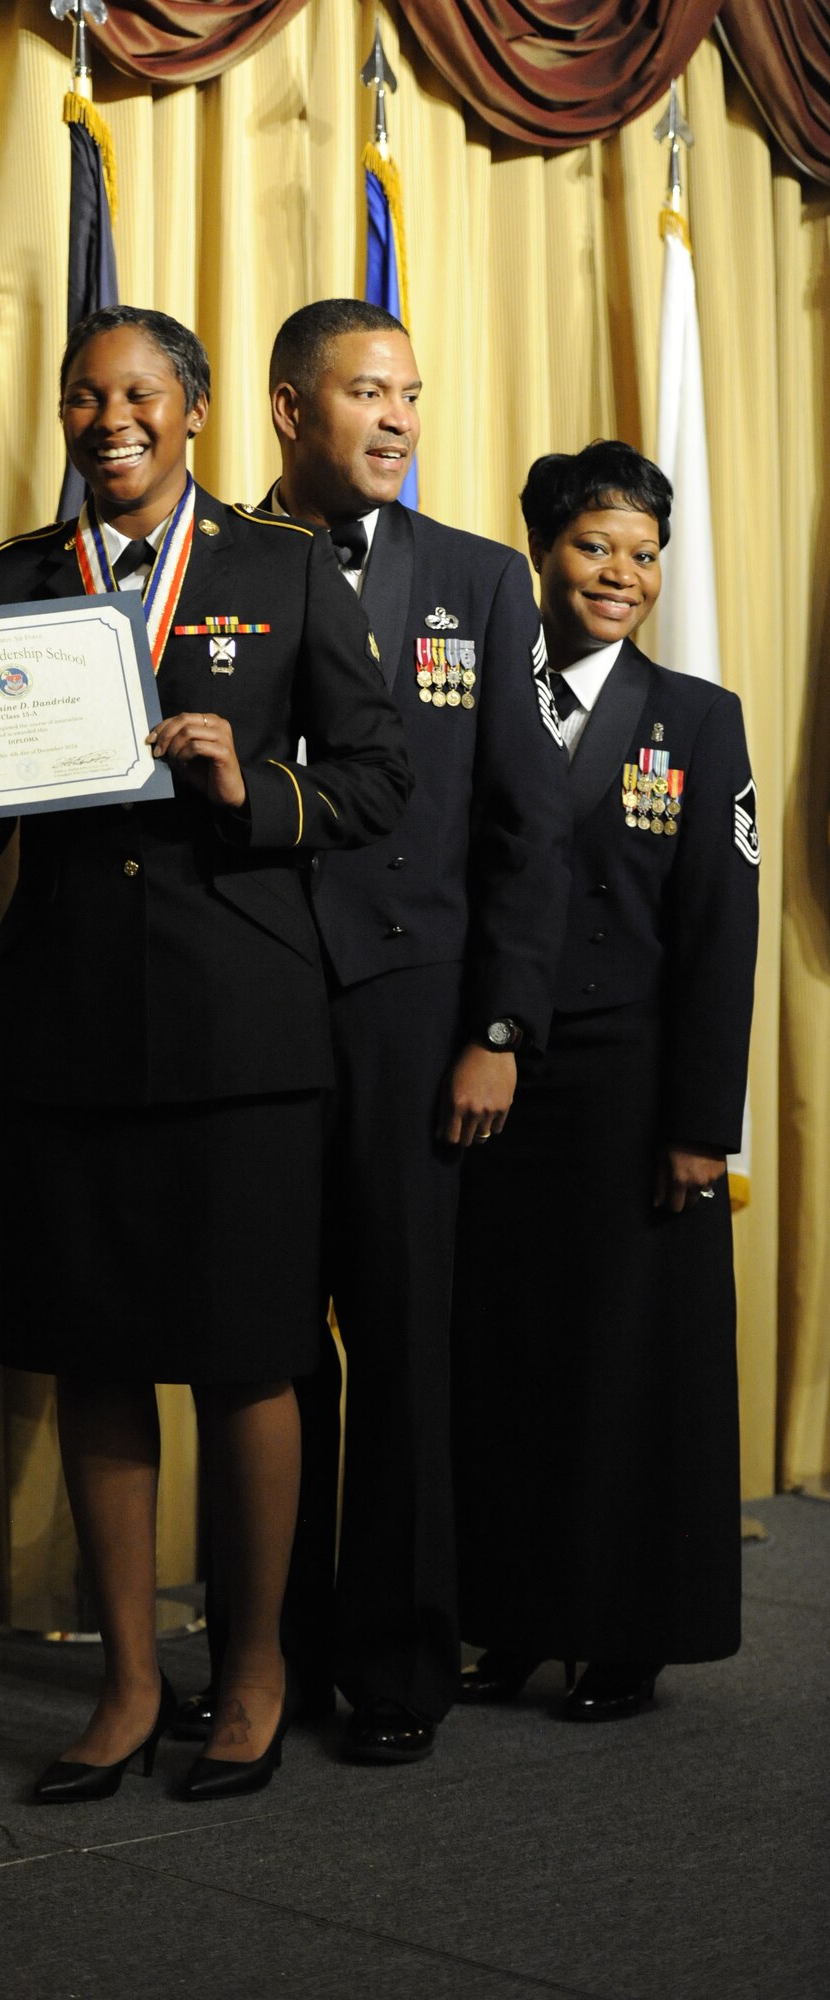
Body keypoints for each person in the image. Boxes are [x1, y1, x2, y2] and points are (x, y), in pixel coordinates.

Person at [0, 304, 412, 1802]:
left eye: (137, 393)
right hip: (63, 1026)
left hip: (239, 1032)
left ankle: (249, 1673)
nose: (107, 418)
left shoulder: (284, 569)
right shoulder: (13, 579)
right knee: (98, 1357)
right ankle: (128, 1684)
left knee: (247, 1358)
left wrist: (246, 782)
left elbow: (380, 783)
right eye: (81, 396)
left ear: (192, 414)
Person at [177, 299, 572, 1766]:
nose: (398, 418)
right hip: (254, 1000)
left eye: (410, 393)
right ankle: (261, 1654)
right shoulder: (203, 564)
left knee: (402, 1341)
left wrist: (500, 1024)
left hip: (418, 1007)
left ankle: (397, 1665)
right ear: (287, 409)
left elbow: (528, 827)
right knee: (261, 1349)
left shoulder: (474, 582)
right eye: (365, 392)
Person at [451, 440, 759, 1720]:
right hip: (491, 1080)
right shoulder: (469, 693)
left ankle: (627, 1632)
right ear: (541, 550)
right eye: (593, 546)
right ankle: (513, 1615)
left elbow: (717, 933)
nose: (618, 574)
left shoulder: (695, 717)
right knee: (506, 1354)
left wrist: (701, 1124)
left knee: (633, 1369)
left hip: (635, 1091)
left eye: (640, 553)